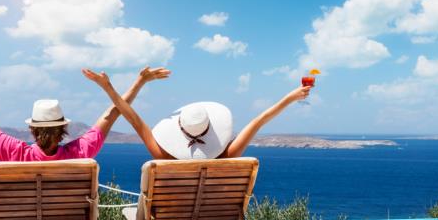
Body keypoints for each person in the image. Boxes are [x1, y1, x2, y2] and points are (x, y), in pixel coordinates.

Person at [0, 59, 170, 161]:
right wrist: (139, 81)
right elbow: (113, 113)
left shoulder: (15, 153)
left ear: (32, 129)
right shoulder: (80, 152)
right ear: (64, 128)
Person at [82, 68, 312, 159]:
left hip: (168, 218)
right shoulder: (229, 155)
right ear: (211, 129)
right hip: (215, 216)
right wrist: (290, 98)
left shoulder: (162, 155)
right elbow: (259, 121)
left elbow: (132, 118)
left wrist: (108, 87)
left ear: (179, 129)